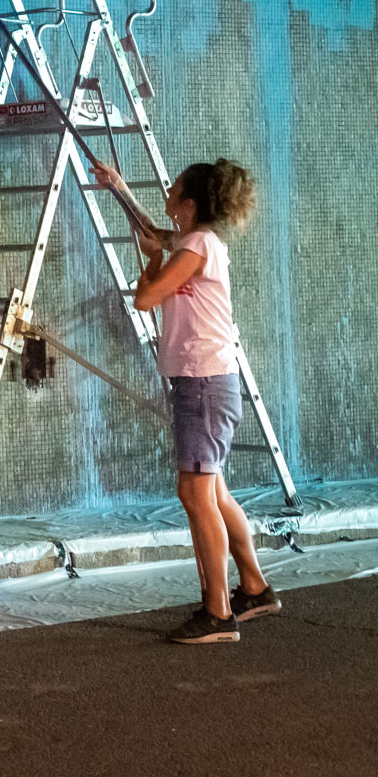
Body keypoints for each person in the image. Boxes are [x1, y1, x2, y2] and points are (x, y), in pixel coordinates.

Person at [94, 157, 281, 644]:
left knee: (194, 494)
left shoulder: (194, 246)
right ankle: (256, 590)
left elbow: (146, 297)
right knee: (213, 492)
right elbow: (152, 230)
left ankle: (217, 614)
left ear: (190, 203)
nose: (168, 188)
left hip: (202, 385)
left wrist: (152, 260)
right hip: (210, 382)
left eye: (174, 186)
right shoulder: (198, 242)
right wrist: (117, 188)